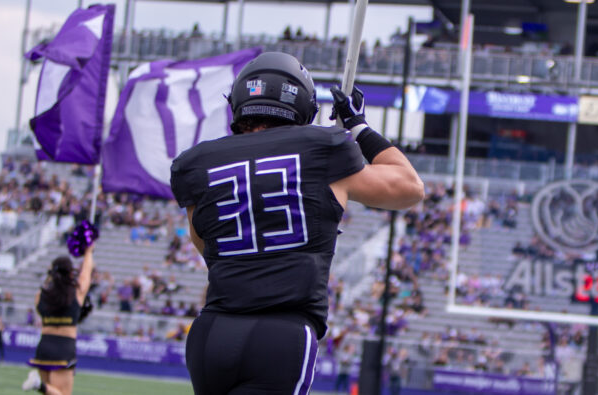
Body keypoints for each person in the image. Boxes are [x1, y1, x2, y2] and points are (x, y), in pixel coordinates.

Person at [170, 52, 424, 394]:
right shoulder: (324, 150)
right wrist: (359, 126)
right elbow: (409, 188)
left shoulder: (196, 163)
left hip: (212, 332)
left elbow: (204, 245)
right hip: (280, 334)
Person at [21, 246, 94, 395]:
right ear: (70, 273)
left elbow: (40, 308)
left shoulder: (40, 295)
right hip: (64, 348)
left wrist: (52, 276)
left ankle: (41, 385)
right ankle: (39, 385)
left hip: (44, 346)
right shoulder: (76, 294)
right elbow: (86, 273)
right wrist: (88, 252)